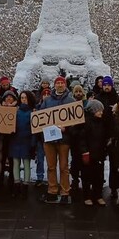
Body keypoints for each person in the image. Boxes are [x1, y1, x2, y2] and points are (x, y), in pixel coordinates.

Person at [39, 75, 74, 204]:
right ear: (55, 85)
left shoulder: (70, 101)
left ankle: (65, 192)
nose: (60, 85)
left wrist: (67, 128)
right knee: (51, 166)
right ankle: (52, 191)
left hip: (64, 139)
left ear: (65, 85)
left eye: (62, 83)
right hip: (49, 139)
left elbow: (75, 120)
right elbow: (41, 117)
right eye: (57, 83)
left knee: (64, 167)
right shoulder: (47, 101)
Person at [79, 99, 108, 206]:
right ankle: (87, 196)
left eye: (101, 110)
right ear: (92, 110)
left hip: (99, 154)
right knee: (87, 176)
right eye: (98, 110)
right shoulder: (86, 122)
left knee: (99, 177)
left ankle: (98, 195)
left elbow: (104, 138)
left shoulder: (102, 122)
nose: (101, 112)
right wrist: (84, 151)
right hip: (89, 154)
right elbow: (82, 139)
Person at [10, 91, 36, 198]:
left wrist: (33, 143)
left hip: (27, 141)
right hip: (15, 140)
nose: (23, 100)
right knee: (15, 163)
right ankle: (16, 185)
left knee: (26, 164)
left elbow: (34, 129)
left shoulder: (32, 112)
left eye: (25, 98)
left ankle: (25, 186)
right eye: (22, 98)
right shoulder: (16, 111)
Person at [97, 75, 118, 198]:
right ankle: (99, 186)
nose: (106, 87)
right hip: (101, 134)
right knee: (100, 163)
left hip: (114, 135)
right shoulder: (98, 98)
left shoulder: (116, 98)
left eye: (108, 85)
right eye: (105, 85)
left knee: (114, 164)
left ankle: (114, 187)